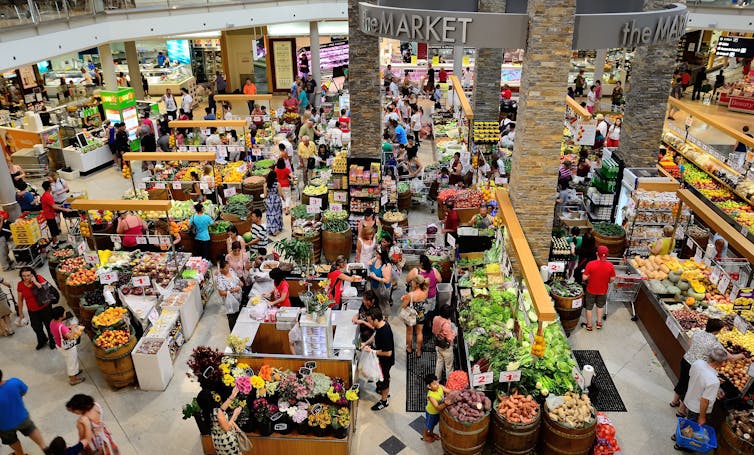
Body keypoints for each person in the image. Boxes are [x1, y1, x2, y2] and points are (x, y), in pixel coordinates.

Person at [671, 318, 741, 417]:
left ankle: (674, 401)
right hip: (696, 367)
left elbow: (690, 343)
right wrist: (743, 355)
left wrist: (697, 351)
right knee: (690, 387)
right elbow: (731, 357)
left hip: (686, 360)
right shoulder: (714, 343)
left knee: (682, 381)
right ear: (716, 331)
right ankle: (681, 410)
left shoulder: (697, 333)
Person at [679, 347, 728, 430]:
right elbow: (704, 400)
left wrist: (714, 379)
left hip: (689, 399)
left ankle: (678, 435)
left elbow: (696, 376)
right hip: (697, 409)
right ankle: (678, 439)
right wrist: (702, 417)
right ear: (720, 363)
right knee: (689, 427)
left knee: (688, 421)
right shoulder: (713, 381)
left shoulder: (698, 363)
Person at [0, 370, 48, 455]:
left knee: (12, 440)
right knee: (31, 429)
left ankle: (20, 453)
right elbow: (23, 391)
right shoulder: (14, 382)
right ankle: (44, 447)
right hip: (22, 417)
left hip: (4, 426)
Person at [360, 307, 394, 411]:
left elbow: (388, 353)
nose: (369, 322)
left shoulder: (385, 332)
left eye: (370, 320)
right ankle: (381, 389)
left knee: (384, 380)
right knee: (379, 379)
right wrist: (365, 343)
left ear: (375, 319)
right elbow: (374, 336)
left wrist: (372, 351)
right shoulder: (380, 325)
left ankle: (384, 401)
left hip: (385, 362)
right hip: (378, 360)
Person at [17, 267, 56, 350]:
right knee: (36, 327)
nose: (26, 278)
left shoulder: (39, 278)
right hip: (32, 310)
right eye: (23, 276)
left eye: (28, 275)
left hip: (45, 307)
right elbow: (20, 300)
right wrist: (20, 313)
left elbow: (45, 290)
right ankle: (42, 340)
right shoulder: (20, 285)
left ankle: (52, 340)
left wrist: (35, 282)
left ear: (32, 274)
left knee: (49, 325)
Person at [581, 245, 616, 331]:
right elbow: (612, 279)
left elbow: (584, 278)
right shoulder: (610, 265)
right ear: (607, 255)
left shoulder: (590, 264)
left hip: (591, 290)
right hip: (603, 290)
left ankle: (589, 326)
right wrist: (607, 281)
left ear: (597, 253)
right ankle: (599, 323)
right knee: (600, 306)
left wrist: (588, 275)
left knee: (589, 308)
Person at [50, 307, 85, 385]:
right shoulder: (61, 327)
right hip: (67, 347)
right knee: (71, 362)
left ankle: (76, 372)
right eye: (64, 312)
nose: (65, 313)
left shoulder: (52, 322)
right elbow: (71, 337)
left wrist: (68, 328)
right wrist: (72, 328)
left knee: (72, 360)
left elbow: (60, 331)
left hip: (59, 344)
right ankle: (73, 379)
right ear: (61, 316)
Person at [402, 274, 429, 356]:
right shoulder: (425, 292)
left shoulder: (410, 295)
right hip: (421, 315)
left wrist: (403, 298)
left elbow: (403, 306)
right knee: (419, 333)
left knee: (409, 333)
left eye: (413, 282)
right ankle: (418, 351)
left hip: (411, 316)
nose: (411, 283)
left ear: (416, 284)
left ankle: (409, 348)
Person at [41, 181, 72, 246]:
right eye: (51, 186)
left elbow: (52, 204)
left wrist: (60, 205)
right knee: (53, 230)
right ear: (49, 187)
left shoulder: (46, 195)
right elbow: (54, 206)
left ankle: (56, 241)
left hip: (50, 214)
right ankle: (55, 244)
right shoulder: (48, 196)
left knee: (54, 229)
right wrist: (65, 209)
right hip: (49, 215)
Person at [217, 258, 243, 330]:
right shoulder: (220, 279)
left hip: (239, 298)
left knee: (240, 316)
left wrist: (240, 282)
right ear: (221, 269)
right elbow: (221, 293)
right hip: (231, 303)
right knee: (232, 319)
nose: (228, 269)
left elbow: (236, 279)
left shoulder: (231, 271)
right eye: (226, 268)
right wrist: (233, 290)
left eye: (228, 267)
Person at [432, 304, 455, 381]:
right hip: (446, 347)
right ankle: (449, 383)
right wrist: (454, 333)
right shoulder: (446, 325)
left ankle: (437, 379)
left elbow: (434, 330)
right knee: (449, 366)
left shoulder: (435, 318)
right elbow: (450, 339)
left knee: (439, 361)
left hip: (438, 344)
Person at [368, 248, 392, 319]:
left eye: (377, 254)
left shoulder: (386, 265)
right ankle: (377, 316)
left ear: (382, 255)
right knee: (376, 301)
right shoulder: (376, 258)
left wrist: (375, 277)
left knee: (383, 303)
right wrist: (369, 263)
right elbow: (370, 262)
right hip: (374, 285)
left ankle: (385, 319)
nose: (375, 255)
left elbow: (387, 280)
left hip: (382, 288)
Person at [423, 373, 446, 443]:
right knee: (428, 425)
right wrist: (446, 403)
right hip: (431, 413)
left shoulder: (440, 387)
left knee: (433, 424)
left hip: (437, 413)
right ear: (429, 386)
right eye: (434, 384)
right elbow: (437, 407)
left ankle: (431, 433)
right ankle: (425, 435)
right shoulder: (431, 396)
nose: (437, 385)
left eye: (437, 382)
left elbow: (449, 391)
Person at [263, 170, 283, 236]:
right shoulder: (277, 184)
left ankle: (271, 230)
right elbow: (280, 194)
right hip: (276, 201)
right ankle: (277, 229)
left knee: (270, 215)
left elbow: (265, 196)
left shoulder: (265, 185)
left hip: (269, 202)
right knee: (277, 215)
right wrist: (283, 198)